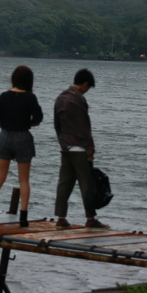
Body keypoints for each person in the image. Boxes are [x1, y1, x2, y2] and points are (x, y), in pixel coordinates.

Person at [0, 65, 43, 227]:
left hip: (5, 135)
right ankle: (23, 216)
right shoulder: (30, 97)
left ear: (13, 79)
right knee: (24, 179)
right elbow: (38, 119)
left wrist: (4, 124)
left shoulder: (4, 96)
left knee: (0, 176)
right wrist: (28, 123)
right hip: (23, 136)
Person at [53, 68, 108, 229]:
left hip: (66, 148)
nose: (87, 90)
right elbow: (85, 128)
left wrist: (62, 142)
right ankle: (90, 219)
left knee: (64, 183)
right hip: (80, 149)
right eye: (88, 87)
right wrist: (90, 151)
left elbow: (57, 124)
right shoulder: (79, 99)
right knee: (86, 184)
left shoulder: (60, 98)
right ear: (85, 83)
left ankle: (61, 218)